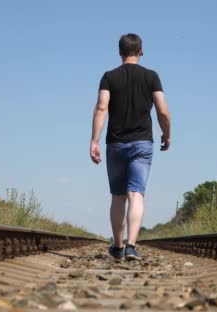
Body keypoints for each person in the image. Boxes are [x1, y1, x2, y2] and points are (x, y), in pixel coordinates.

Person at [89, 33, 171, 261]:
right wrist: (167, 134)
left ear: (119, 52)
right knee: (136, 194)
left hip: (115, 143)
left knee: (118, 197)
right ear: (141, 50)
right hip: (143, 143)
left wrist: (94, 141)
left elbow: (101, 108)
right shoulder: (151, 77)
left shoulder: (109, 77)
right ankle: (132, 246)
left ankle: (117, 247)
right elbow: (163, 111)